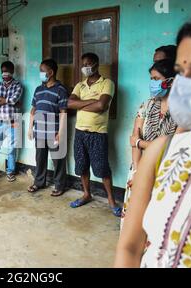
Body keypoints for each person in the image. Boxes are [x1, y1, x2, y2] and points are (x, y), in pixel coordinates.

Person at [115, 9, 191, 268]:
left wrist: (138, 141)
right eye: (182, 71)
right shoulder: (164, 150)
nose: (186, 84)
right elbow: (129, 247)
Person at [121, 59, 183, 226]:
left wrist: (141, 143)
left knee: (157, 222)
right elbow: (134, 137)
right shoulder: (147, 105)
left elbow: (173, 146)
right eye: (151, 79)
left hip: (166, 172)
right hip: (139, 167)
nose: (152, 83)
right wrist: (138, 171)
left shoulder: (183, 110)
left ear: (170, 81)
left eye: (156, 79)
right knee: (134, 220)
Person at [67, 52, 120, 216]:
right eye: (83, 64)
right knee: (82, 166)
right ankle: (86, 194)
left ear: (96, 64)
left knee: (102, 168)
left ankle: (111, 200)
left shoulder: (107, 83)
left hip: (97, 133)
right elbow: (69, 103)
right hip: (80, 133)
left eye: (88, 64)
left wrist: (80, 105)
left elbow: (102, 106)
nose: (85, 67)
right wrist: (92, 102)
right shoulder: (80, 85)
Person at [27, 59, 68, 196]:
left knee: (58, 160)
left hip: (54, 132)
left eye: (42, 71)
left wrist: (60, 133)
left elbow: (63, 113)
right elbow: (33, 110)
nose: (40, 73)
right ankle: (39, 182)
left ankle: (59, 186)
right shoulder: (38, 89)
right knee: (40, 159)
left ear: (50, 72)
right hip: (39, 131)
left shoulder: (61, 90)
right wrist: (30, 128)